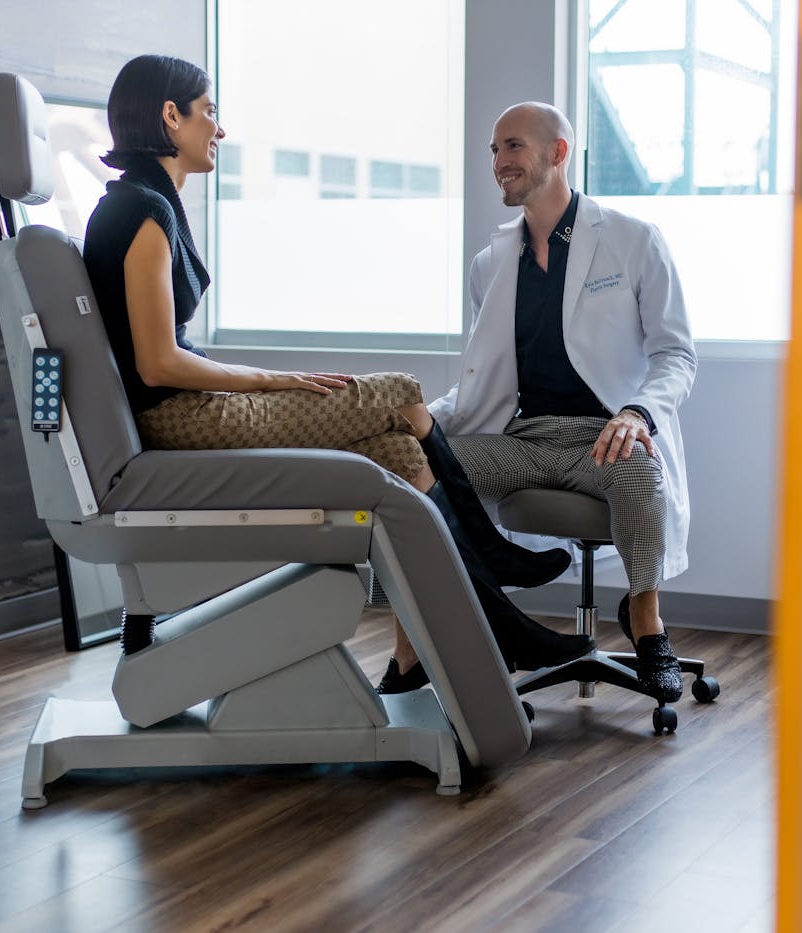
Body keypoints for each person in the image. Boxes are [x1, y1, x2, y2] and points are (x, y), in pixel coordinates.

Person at [81, 55, 592, 685]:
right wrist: (273, 379)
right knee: (401, 392)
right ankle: (494, 565)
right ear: (170, 116)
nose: (219, 128)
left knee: (398, 454)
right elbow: (158, 363)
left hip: (185, 409)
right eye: (209, 112)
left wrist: (269, 381)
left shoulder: (145, 203)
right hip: (182, 418)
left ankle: (412, 658)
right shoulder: (141, 211)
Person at [427, 102, 697, 701]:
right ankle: (465, 629)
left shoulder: (632, 240)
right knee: (420, 467)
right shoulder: (491, 264)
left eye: (513, 146)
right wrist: (427, 420)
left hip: (604, 437)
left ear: (557, 152)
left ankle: (646, 620)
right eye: (493, 150)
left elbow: (676, 354)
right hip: (526, 439)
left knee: (638, 470)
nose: (499, 162)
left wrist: (637, 413)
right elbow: (482, 376)